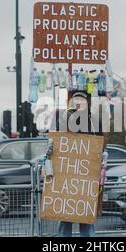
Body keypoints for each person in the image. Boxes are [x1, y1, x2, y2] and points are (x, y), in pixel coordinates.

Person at [50, 91, 106, 237]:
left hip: (87, 175)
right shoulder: (62, 119)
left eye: (82, 100)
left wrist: (102, 157)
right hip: (67, 177)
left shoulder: (95, 122)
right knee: (65, 216)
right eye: (75, 100)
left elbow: (100, 146)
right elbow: (56, 142)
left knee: (86, 216)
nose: (78, 102)